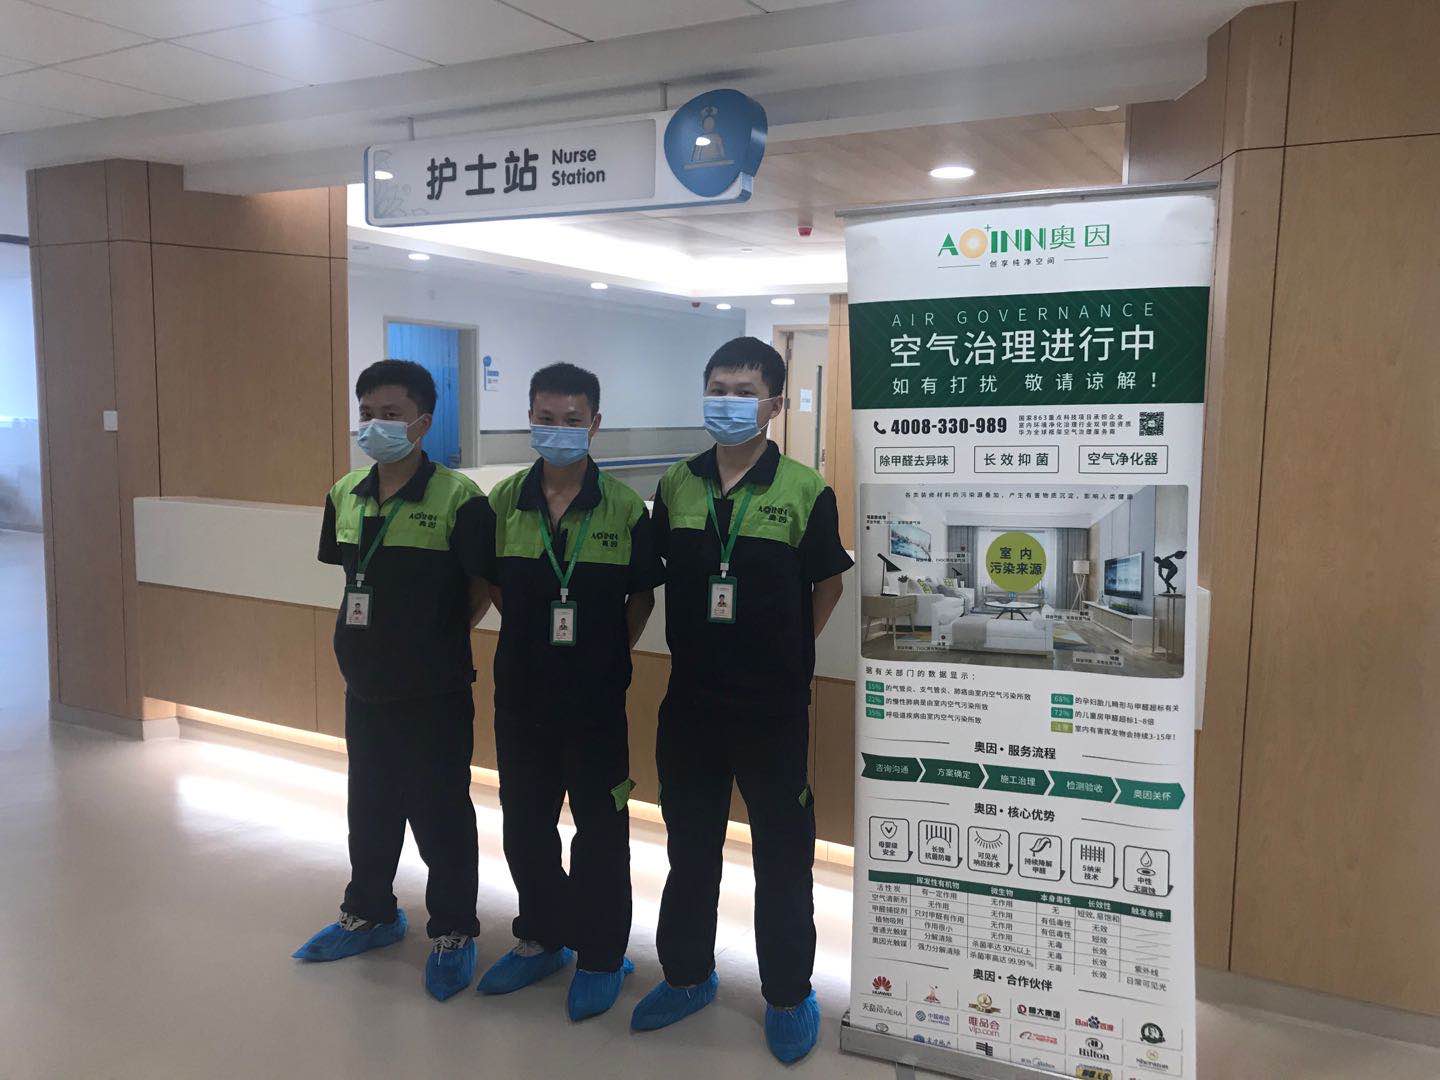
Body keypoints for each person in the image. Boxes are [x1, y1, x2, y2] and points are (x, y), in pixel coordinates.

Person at [631, 337, 851, 1062]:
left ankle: (787, 991)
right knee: (690, 847)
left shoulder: (804, 490)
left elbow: (827, 585)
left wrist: (785, 654)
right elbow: (657, 574)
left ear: (775, 404)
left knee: (782, 857)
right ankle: (687, 975)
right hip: (691, 702)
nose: (728, 402)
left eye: (744, 392)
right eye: (717, 388)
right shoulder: (678, 483)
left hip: (771, 709)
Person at [293, 359, 491, 1003]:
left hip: (434, 687)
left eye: (391, 414)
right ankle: (371, 912)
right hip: (365, 682)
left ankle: (453, 930)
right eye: (367, 413)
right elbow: (351, 577)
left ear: (422, 422)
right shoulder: (345, 493)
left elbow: (482, 584)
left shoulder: (459, 498)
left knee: (440, 813)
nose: (376, 424)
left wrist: (436, 636)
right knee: (370, 805)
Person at [473, 362, 662, 1021]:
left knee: (600, 833)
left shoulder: (624, 509)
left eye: (572, 420)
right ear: (530, 419)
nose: (558, 430)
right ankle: (543, 936)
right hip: (521, 696)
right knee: (525, 828)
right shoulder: (502, 503)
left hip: (596, 704)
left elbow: (641, 596)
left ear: (595, 424)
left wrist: (607, 655)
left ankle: (602, 955)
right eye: (545, 419)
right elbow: (493, 585)